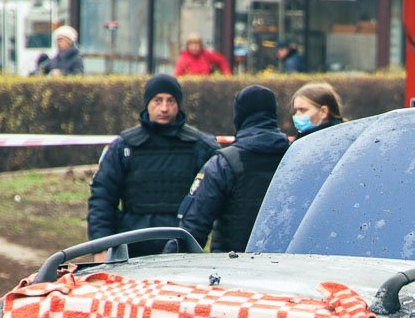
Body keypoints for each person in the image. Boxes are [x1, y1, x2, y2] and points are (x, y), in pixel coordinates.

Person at [87, 73, 219, 256]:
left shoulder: (201, 147)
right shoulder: (123, 147)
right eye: (157, 100)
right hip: (131, 248)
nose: (164, 108)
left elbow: (218, 200)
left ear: (178, 104)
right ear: (147, 102)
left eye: (170, 101)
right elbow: (102, 198)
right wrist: (100, 247)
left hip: (181, 251)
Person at [177, 85, 290, 253]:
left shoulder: (224, 163)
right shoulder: (294, 156)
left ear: (239, 116)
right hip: (287, 268)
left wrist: (168, 270)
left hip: (232, 269)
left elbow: (193, 227)